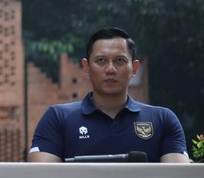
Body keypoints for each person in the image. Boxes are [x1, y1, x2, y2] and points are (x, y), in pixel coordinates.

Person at [28, 27, 189, 163]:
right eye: (101, 61)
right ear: (86, 67)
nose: (110, 69)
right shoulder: (57, 119)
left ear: (134, 68)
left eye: (119, 61)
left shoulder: (163, 120)